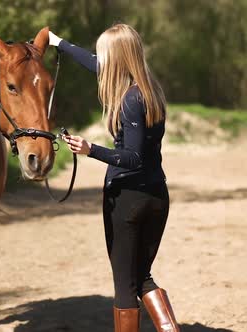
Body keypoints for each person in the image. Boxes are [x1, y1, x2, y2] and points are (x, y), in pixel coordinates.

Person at [48, 24, 180, 332]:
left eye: (106, 55)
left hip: (128, 200)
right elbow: (94, 63)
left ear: (119, 58)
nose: (100, 61)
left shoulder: (130, 100)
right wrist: (58, 42)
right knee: (142, 277)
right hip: (157, 195)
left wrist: (89, 149)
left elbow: (132, 158)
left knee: (124, 285)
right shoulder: (150, 90)